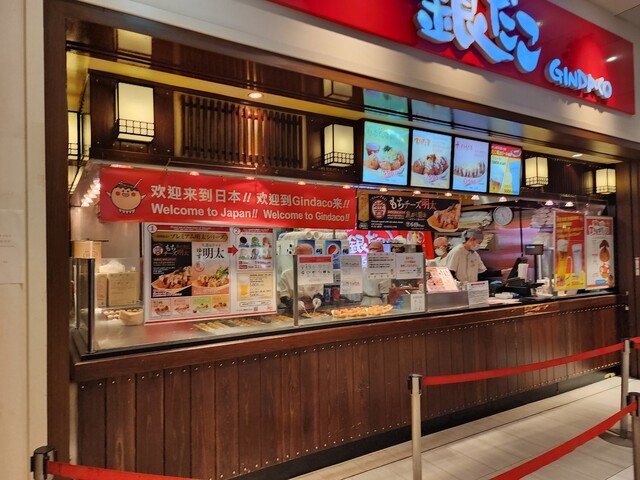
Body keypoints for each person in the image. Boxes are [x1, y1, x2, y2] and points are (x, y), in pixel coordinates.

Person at [278, 243, 324, 311]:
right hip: (293, 311)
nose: (304, 262)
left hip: (313, 309)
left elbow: (319, 291)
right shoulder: (286, 274)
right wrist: (293, 303)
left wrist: (318, 298)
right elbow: (284, 296)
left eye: (307, 259)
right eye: (301, 259)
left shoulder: (317, 273)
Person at [361, 240, 391, 306]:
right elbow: (385, 292)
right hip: (377, 302)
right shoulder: (384, 269)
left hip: (364, 301)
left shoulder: (363, 268)